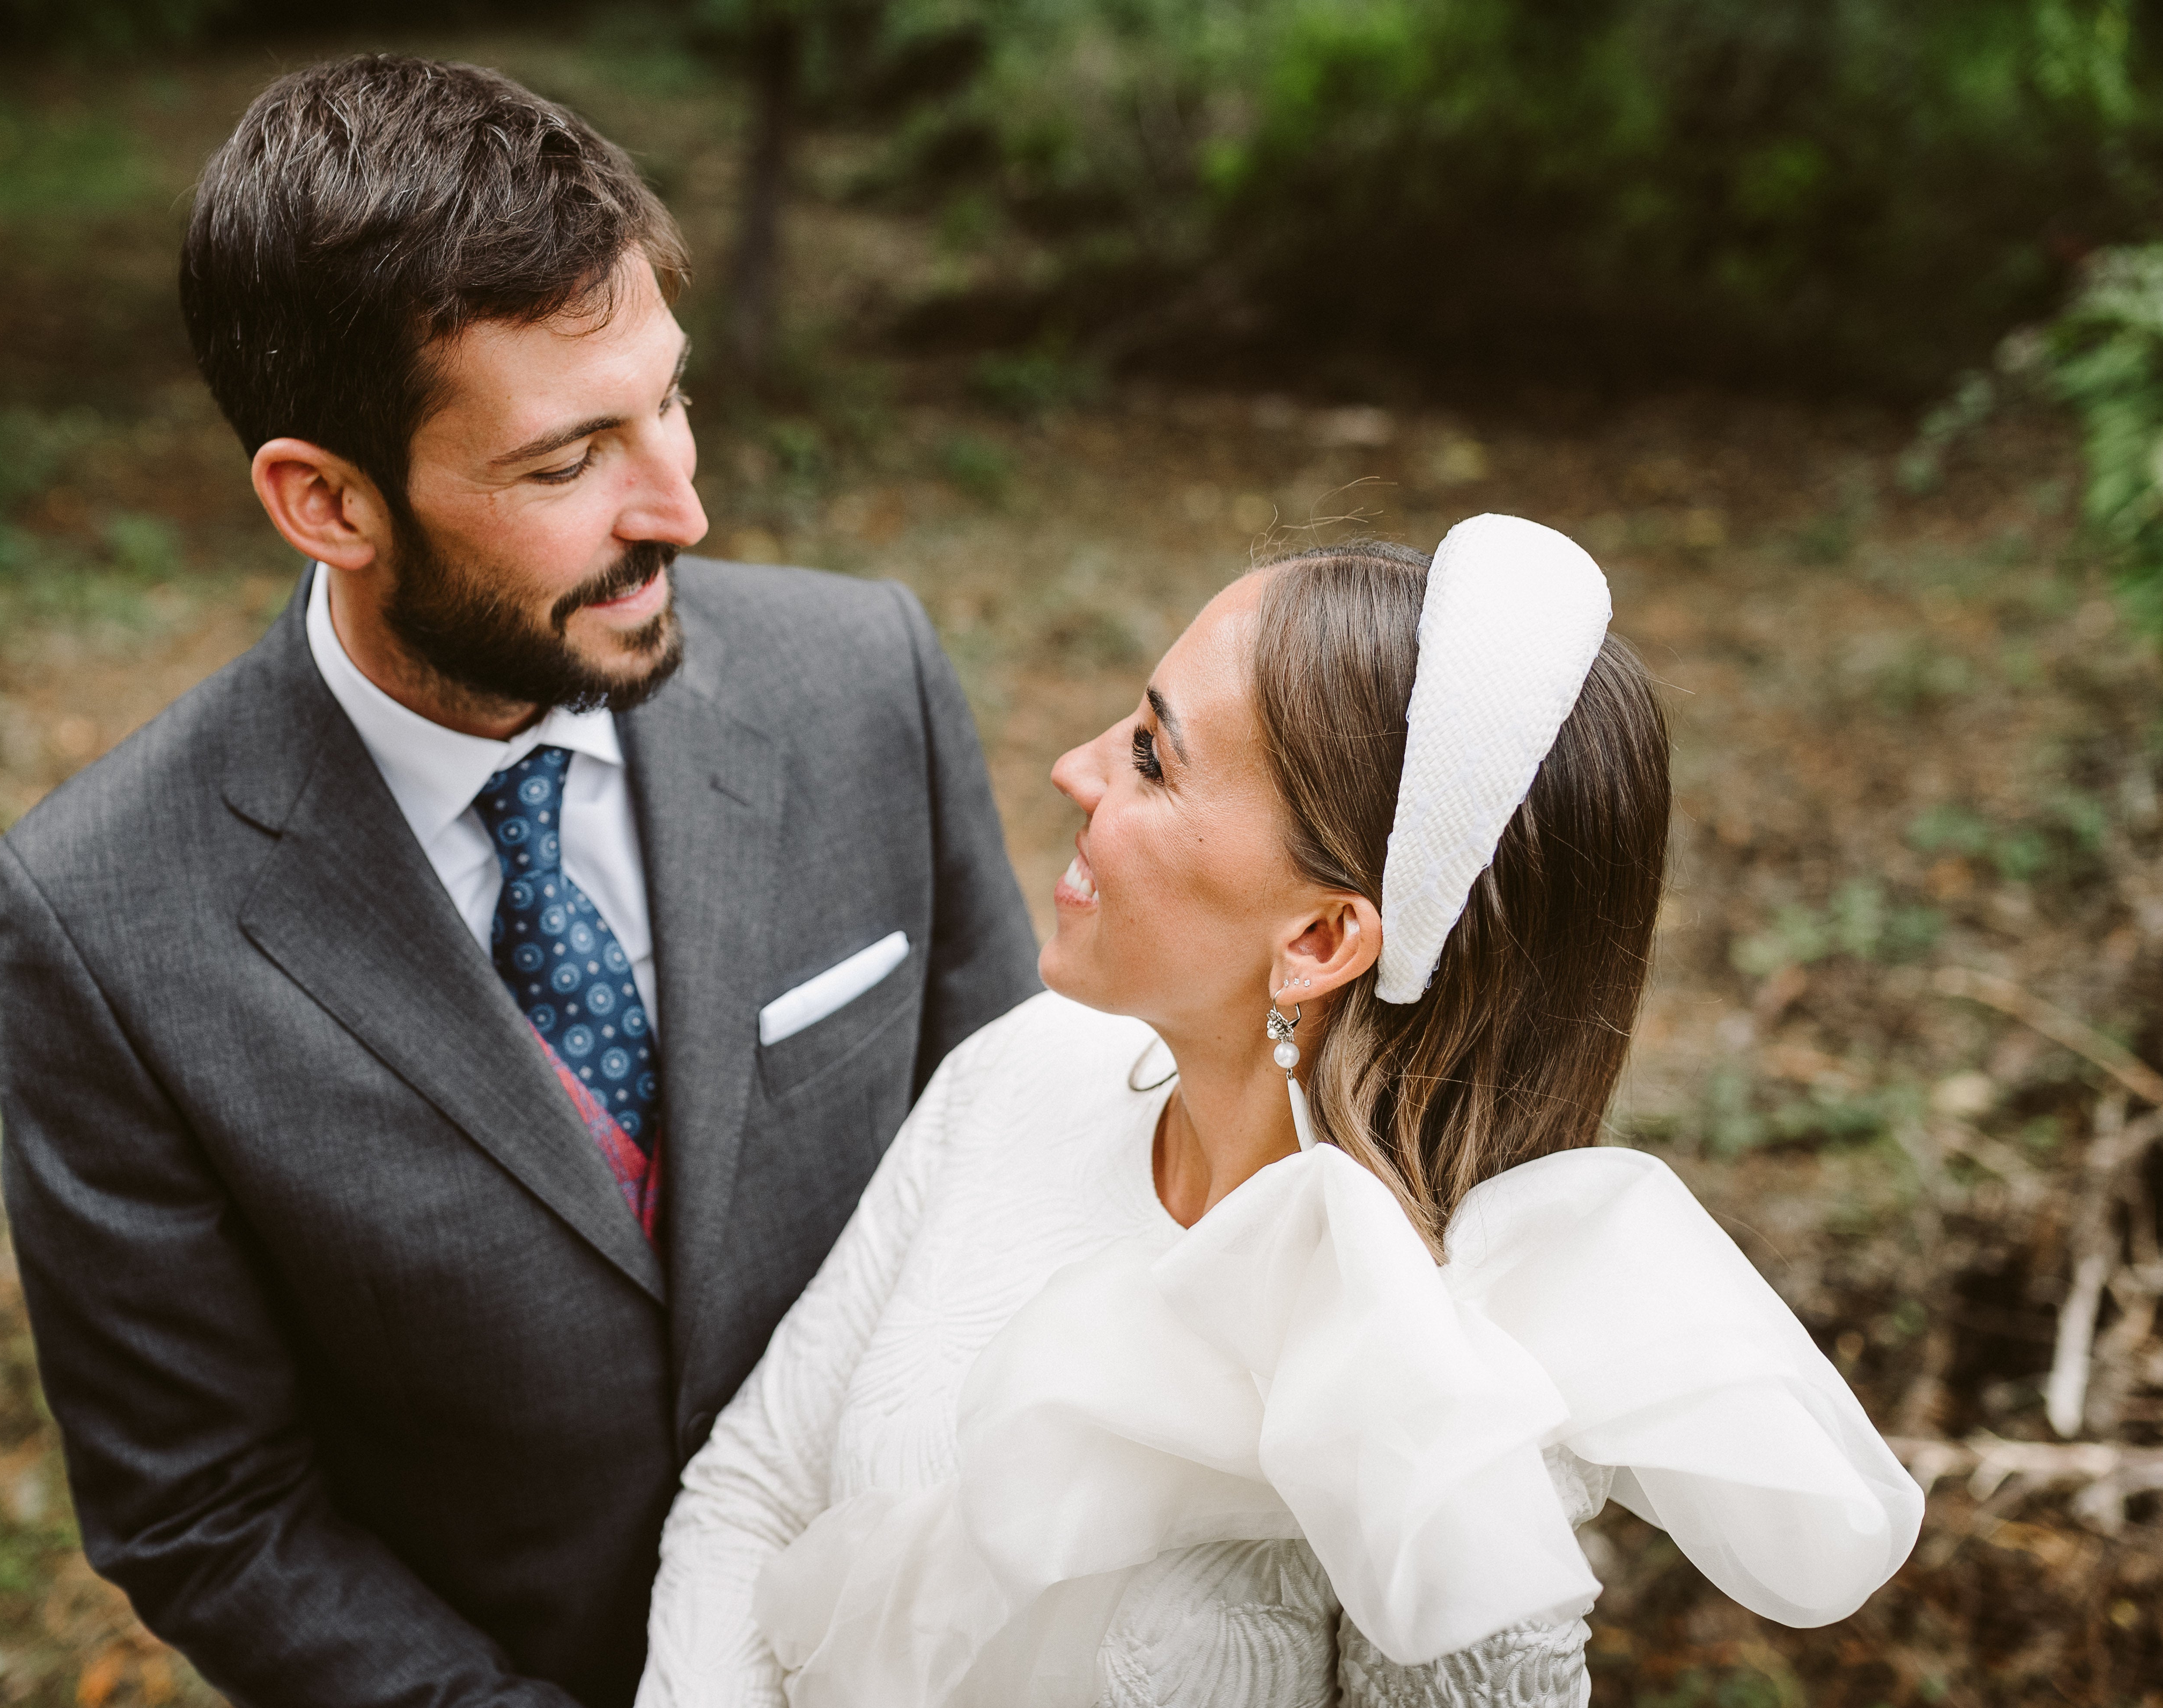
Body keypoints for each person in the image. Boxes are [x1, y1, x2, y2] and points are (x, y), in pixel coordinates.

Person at [0, 56, 1041, 1708]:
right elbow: (208, 1507)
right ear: (326, 499)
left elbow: (1025, 1175)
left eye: (669, 398)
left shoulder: (866, 681)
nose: (679, 504)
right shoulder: (103, 916)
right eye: (567, 465)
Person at [637, 518, 1925, 1706]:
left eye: (1150, 755)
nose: (1072, 768)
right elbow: (751, 1496)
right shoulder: (1023, 1072)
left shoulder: (1434, 1412)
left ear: (1317, 938)